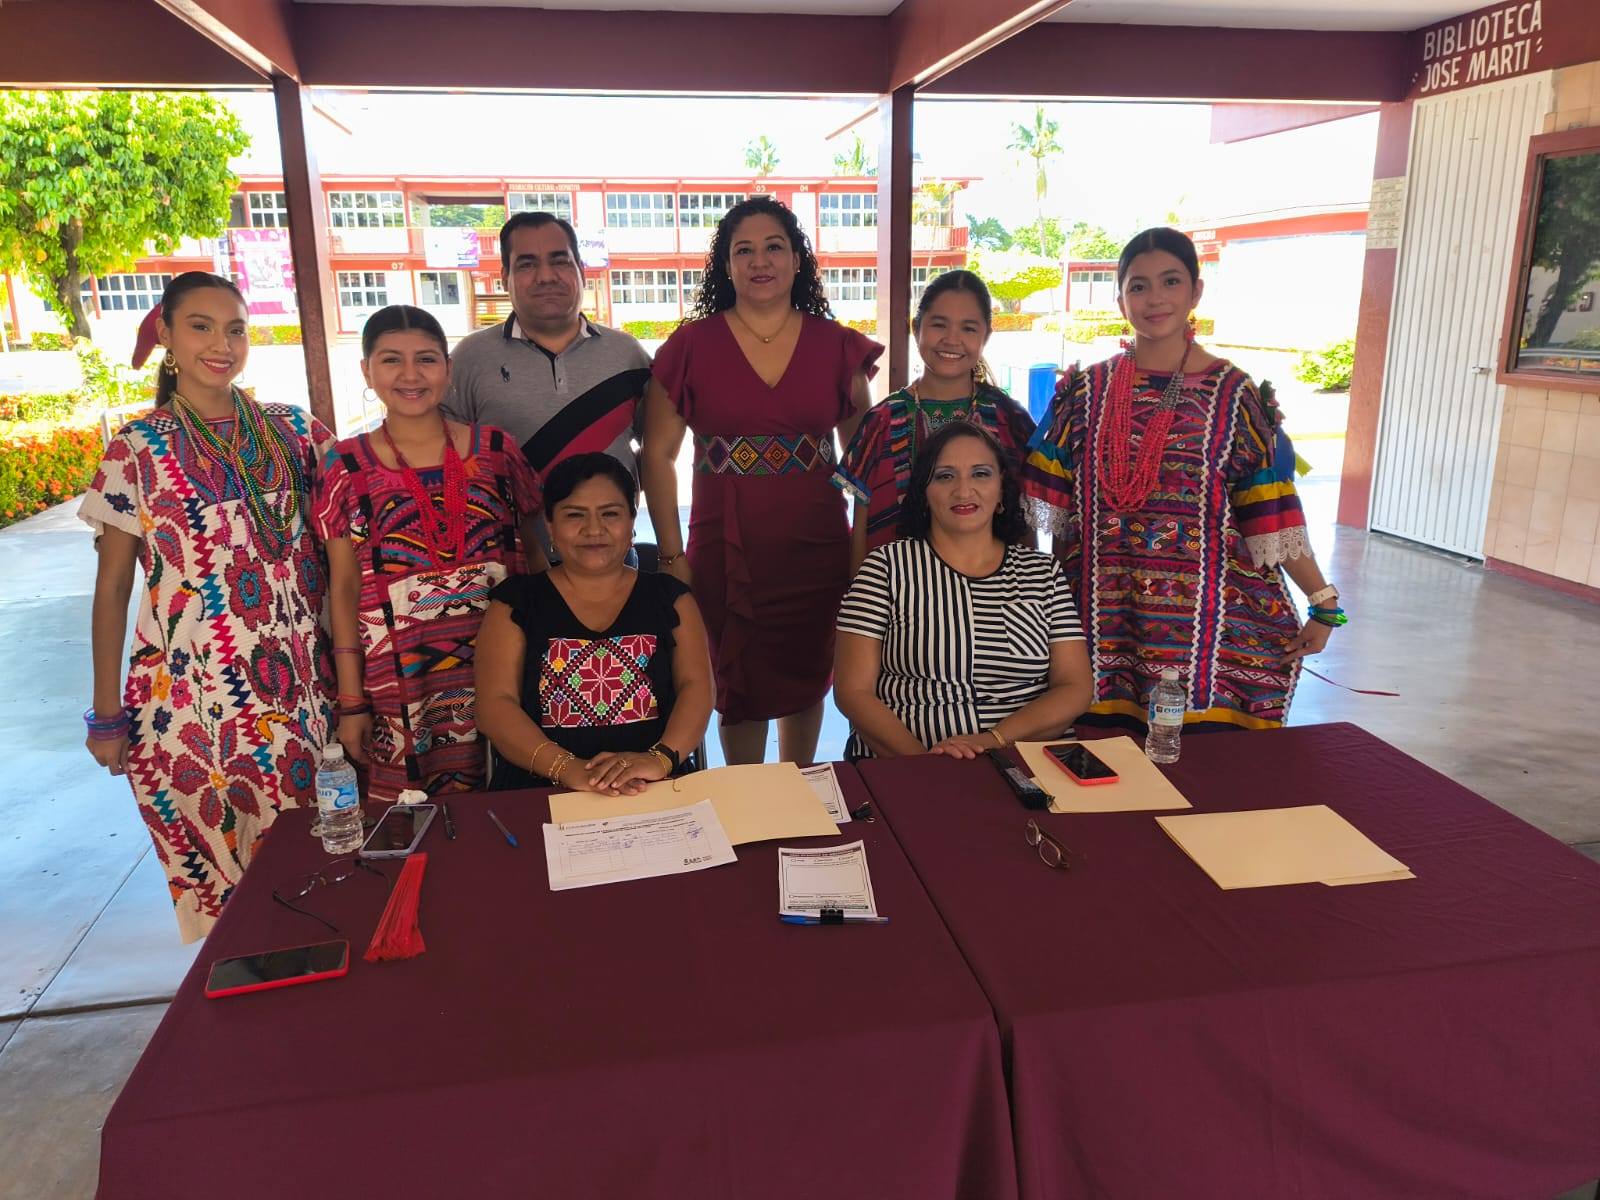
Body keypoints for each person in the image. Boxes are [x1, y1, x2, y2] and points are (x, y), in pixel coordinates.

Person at [81, 271, 333, 942]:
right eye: (201, 326)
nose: (222, 345)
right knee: (236, 902)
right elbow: (112, 588)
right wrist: (105, 713)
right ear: (165, 333)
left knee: (324, 869)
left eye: (236, 329)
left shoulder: (295, 431)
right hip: (197, 708)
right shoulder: (135, 450)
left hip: (308, 693)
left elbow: (346, 538)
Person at [1020, 227, 1344, 731]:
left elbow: (1270, 514)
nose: (1155, 298)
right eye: (1138, 285)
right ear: (1121, 299)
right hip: (1103, 627)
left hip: (1211, 635)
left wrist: (1324, 604)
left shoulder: (1233, 394)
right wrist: (1049, 607)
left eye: (1170, 281)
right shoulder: (1085, 391)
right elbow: (1058, 520)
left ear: (1196, 291)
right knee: (1102, 767)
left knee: (1205, 770)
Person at [641, 196, 882, 766]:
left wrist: (863, 552)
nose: (760, 261)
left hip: (816, 545)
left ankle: (803, 784)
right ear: (726, 266)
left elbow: (865, 465)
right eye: (743, 250)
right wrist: (672, 557)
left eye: (774, 247)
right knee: (736, 682)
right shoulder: (690, 347)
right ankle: (747, 794)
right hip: (724, 546)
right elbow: (657, 455)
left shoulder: (837, 346)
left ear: (797, 259)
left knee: (808, 672)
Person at [312, 305, 546, 803]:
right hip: (399, 687)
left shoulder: (498, 451)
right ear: (366, 371)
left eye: (426, 359)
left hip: (505, 668)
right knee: (415, 822)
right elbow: (345, 588)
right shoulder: (345, 467)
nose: (411, 375)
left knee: (514, 803)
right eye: (391, 360)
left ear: (448, 368)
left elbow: (536, 556)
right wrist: (352, 702)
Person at [835, 423, 1092, 759]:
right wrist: (928, 766)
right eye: (945, 476)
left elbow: (1075, 686)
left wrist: (991, 741)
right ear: (924, 491)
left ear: (1001, 489)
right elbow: (852, 692)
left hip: (1024, 764)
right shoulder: (885, 568)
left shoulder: (1043, 573)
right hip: (908, 765)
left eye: (980, 474)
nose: (963, 490)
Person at [475, 453, 714, 795]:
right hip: (538, 787)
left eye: (610, 514)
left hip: (655, 785)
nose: (593, 529)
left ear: (631, 521)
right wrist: (568, 769)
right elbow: (495, 706)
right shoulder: (515, 603)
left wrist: (658, 760)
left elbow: (697, 688)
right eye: (575, 515)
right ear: (550, 525)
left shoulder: (671, 599)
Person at [444, 211, 651, 556]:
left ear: (581, 270)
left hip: (612, 560)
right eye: (527, 264)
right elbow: (442, 462)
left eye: (559, 261)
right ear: (505, 277)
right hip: (508, 563)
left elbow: (655, 450)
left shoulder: (627, 354)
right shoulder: (469, 359)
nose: (545, 276)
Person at [834, 269, 1035, 572]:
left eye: (968, 328)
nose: (952, 339)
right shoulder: (881, 422)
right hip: (900, 590)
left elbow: (1026, 520)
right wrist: (861, 592)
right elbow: (862, 531)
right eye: (939, 324)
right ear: (916, 328)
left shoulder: (1010, 421)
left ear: (986, 336)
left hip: (996, 593)